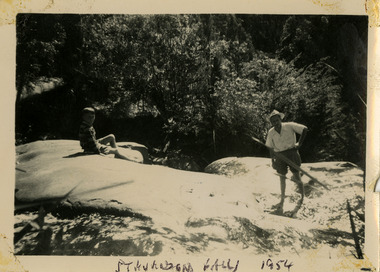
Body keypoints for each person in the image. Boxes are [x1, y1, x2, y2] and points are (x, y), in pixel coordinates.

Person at [265, 110, 308, 215]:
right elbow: (270, 147)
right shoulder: (271, 132)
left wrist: (299, 143)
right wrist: (273, 160)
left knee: (296, 175)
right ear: (271, 123)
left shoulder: (289, 126)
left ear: (280, 119)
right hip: (280, 156)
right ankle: (282, 199)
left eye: (277, 120)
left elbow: (304, 129)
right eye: (273, 121)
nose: (275, 123)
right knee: (282, 177)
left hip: (292, 153)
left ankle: (302, 197)